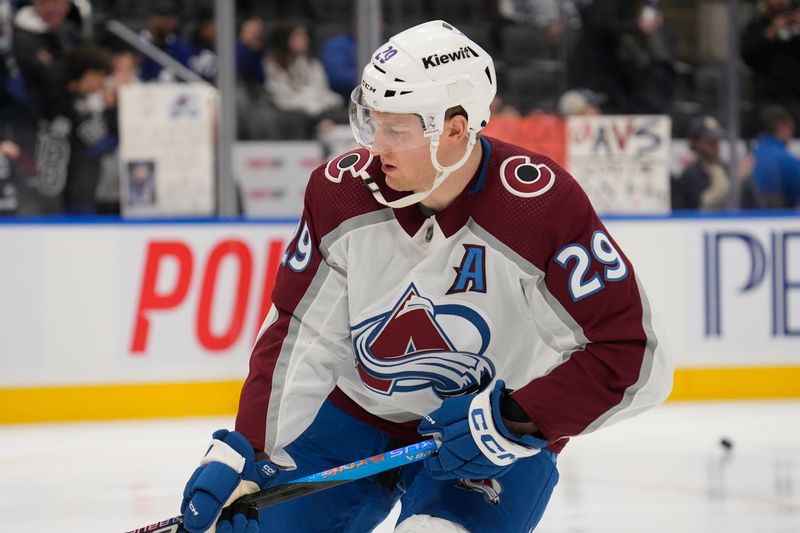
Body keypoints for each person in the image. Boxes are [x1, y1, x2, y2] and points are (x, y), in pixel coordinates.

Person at [179, 20, 673, 533]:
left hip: (488, 434)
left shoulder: (540, 209)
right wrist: (244, 453)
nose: (375, 148)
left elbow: (634, 354)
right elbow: (299, 330)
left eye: (397, 130)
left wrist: (516, 417)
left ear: (456, 129)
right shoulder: (340, 192)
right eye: (373, 123)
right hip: (354, 415)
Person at [741, 0, 800, 130]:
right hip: (768, 99)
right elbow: (748, 56)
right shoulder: (756, 27)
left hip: (796, 98)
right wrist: (771, 32)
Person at [750, 105, 800, 208]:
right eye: (790, 128)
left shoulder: (749, 158)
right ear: (782, 127)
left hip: (750, 220)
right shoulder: (787, 160)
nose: (791, 134)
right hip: (781, 220)